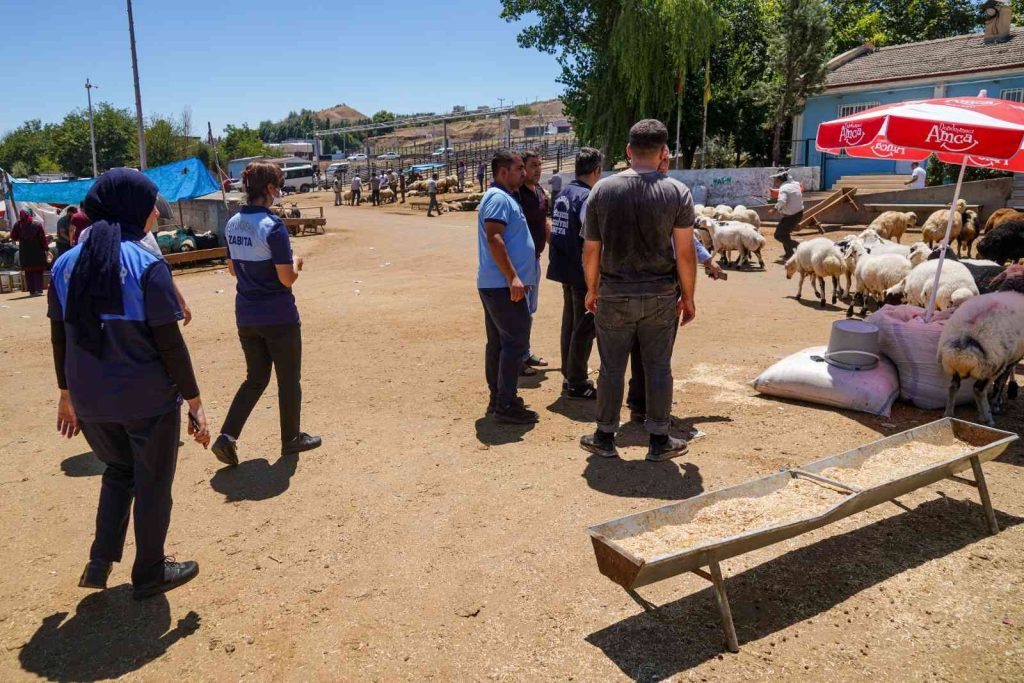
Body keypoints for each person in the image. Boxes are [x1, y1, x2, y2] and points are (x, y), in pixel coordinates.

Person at [48, 168, 208, 600]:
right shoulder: (146, 263)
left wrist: (67, 395)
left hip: (90, 400)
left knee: (119, 471)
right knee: (153, 483)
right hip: (146, 399)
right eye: (151, 203)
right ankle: (150, 573)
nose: (156, 212)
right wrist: (194, 402)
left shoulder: (63, 264)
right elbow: (169, 344)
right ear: (133, 208)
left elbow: (60, 336)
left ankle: (100, 560)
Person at [580, 119, 697, 462]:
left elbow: (591, 250)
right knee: (659, 367)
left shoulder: (602, 190)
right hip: (661, 295)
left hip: (613, 293)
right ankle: (660, 439)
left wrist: (591, 289)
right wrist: (688, 297)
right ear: (663, 152)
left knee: (610, 368)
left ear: (629, 151)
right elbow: (686, 253)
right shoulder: (677, 192)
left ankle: (604, 436)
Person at [211, 161, 321, 466]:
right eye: (279, 184)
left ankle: (227, 437)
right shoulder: (273, 227)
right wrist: (297, 262)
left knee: (255, 379)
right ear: (270, 188)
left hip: (246, 315)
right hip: (279, 316)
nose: (279, 190)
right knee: (288, 379)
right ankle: (291, 439)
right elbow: (286, 278)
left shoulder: (232, 223)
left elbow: (233, 268)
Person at [478, 151, 539, 424]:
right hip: (502, 286)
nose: (523, 173)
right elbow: (495, 239)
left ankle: (499, 398)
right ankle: (505, 403)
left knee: (501, 343)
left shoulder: (504, 197)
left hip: (498, 284)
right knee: (515, 341)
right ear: (503, 172)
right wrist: (513, 277)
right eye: (518, 168)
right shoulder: (498, 198)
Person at [547, 147, 603, 400]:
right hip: (582, 273)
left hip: (565, 268)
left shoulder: (564, 194)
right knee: (583, 327)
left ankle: (570, 375)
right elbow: (591, 241)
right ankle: (577, 381)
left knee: (569, 324)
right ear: (596, 171)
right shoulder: (587, 198)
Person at [515, 150, 550, 375]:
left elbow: (544, 222)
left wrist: (556, 245)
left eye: (539, 164)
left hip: (535, 260)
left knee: (529, 311)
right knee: (518, 312)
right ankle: (517, 359)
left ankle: (525, 352)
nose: (537, 169)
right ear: (522, 168)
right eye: (532, 165)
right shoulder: (516, 194)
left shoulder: (539, 192)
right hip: (520, 263)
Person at [10, 208, 48, 296]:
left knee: (28, 272)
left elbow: (13, 237)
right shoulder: (37, 224)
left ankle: (32, 291)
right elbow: (42, 238)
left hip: (25, 251)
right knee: (38, 271)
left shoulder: (18, 225)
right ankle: (38, 289)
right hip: (37, 250)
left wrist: (21, 238)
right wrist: (46, 248)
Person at [770, 171, 803, 260]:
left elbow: (782, 201)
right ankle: (789, 253)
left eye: (776, 179)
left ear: (781, 179)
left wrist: (774, 209)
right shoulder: (795, 184)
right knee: (785, 234)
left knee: (778, 235)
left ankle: (799, 246)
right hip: (798, 213)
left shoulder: (784, 188)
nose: (775, 181)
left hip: (791, 216)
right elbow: (790, 192)